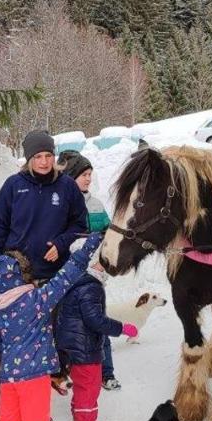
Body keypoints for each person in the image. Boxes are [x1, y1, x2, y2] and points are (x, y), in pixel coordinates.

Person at [0, 232, 105, 421]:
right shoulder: (36, 301)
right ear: (17, 276)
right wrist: (91, 244)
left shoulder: (0, 313)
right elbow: (67, 275)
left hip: (8, 379)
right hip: (34, 378)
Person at [55, 244, 137, 421]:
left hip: (74, 345)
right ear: (91, 264)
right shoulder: (90, 287)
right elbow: (95, 320)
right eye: (102, 263)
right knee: (90, 386)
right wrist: (122, 328)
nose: (106, 268)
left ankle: (80, 420)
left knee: (83, 385)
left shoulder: (77, 283)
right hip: (84, 347)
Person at [0, 130, 87, 281]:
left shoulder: (67, 185)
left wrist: (61, 243)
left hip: (56, 275)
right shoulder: (13, 185)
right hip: (18, 273)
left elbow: (80, 224)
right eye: (37, 157)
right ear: (29, 158)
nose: (44, 162)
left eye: (48, 156)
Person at [61, 154, 120, 390]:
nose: (88, 179)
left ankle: (106, 372)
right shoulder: (62, 205)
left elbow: (109, 237)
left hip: (94, 276)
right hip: (70, 277)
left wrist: (103, 264)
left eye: (89, 175)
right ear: (71, 177)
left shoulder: (96, 205)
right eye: (84, 175)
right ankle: (69, 371)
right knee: (70, 327)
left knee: (98, 324)